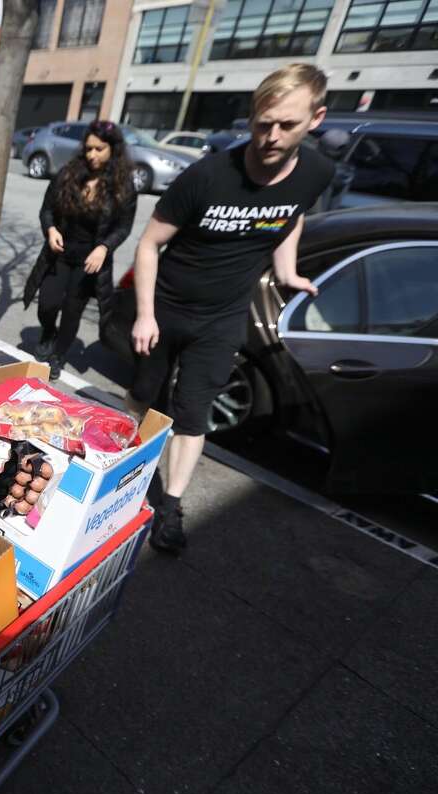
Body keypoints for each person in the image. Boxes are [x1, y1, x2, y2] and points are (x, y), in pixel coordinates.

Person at [127, 63, 335, 553]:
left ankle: (171, 507)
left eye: (287, 125)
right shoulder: (207, 176)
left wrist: (287, 271)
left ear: (316, 119)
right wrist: (144, 315)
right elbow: (149, 244)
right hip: (167, 308)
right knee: (141, 398)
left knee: (192, 413)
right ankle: (127, 475)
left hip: (221, 318)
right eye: (263, 123)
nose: (271, 136)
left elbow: (292, 216)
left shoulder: (317, 173)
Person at [24, 120, 137, 380]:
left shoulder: (123, 186)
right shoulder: (69, 174)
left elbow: (124, 226)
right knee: (48, 304)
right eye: (88, 149)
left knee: (73, 311)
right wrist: (50, 230)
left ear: (113, 149)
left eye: (99, 149)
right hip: (60, 253)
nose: (92, 155)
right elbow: (47, 210)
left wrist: (104, 247)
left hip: (90, 261)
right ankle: (48, 332)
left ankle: (57, 356)